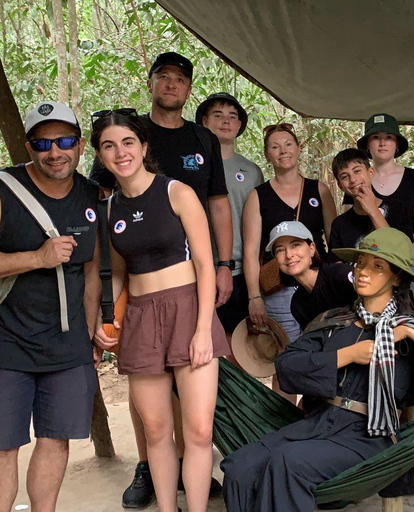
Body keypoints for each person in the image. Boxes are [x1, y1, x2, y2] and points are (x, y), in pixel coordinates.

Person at [221, 227, 414, 512]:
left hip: (369, 437)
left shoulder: (409, 336)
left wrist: (410, 332)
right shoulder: (334, 322)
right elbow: (286, 368)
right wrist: (346, 355)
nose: (363, 272)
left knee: (288, 463)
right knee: (237, 467)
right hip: (317, 425)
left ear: (398, 277)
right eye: (360, 264)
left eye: (377, 266)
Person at [89, 52, 232, 508]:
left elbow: (206, 265)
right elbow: (118, 273)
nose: (120, 153)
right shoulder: (110, 210)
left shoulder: (177, 191)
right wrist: (110, 321)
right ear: (99, 154)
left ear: (143, 146)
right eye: (109, 146)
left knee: (198, 429)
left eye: (128, 142)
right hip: (142, 318)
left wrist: (202, 327)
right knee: (155, 430)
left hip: (189, 307)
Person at [0, 101, 101, 512]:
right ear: (28, 147)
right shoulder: (5, 190)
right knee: (3, 446)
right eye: (43, 143)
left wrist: (90, 334)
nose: (54, 152)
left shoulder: (94, 194)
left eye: (63, 141)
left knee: (56, 440)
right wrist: (36, 258)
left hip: (67, 342)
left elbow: (93, 272)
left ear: (79, 146)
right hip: (7, 341)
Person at [242, 123, 337, 398]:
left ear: (298, 149)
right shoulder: (258, 196)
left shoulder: (318, 189)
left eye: (288, 144)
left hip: (317, 284)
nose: (283, 151)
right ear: (267, 155)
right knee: (287, 358)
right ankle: (283, 424)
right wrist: (253, 296)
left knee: (323, 352)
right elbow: (251, 252)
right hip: (279, 289)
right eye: (275, 146)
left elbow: (333, 240)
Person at [342, 113, 414, 320]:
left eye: (389, 137)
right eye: (376, 137)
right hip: (366, 266)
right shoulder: (356, 180)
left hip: (408, 263)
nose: (382, 142)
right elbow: (348, 226)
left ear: (397, 144)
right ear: (367, 145)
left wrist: (401, 261)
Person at [196, 92, 265, 337]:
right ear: (204, 121)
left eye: (232, 116)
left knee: (237, 343)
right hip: (198, 267)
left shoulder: (252, 171)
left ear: (239, 126)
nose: (225, 121)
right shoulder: (192, 166)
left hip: (240, 271)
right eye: (218, 115)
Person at [264, 220, 358, 331]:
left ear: (312, 248)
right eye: (280, 250)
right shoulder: (297, 304)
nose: (289, 255)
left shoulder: (338, 275)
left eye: (295, 245)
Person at [328, 148, 412, 260]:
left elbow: (402, 253)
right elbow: (336, 266)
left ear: (371, 172)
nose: (353, 179)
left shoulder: (397, 209)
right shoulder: (339, 224)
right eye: (344, 176)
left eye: (357, 171)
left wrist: (373, 210)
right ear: (340, 186)